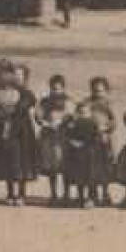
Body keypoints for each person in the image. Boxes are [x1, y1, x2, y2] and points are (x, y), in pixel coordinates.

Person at [0, 60, 37, 206]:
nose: (5, 78)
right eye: (2, 74)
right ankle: (10, 193)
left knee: (22, 161)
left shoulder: (22, 90)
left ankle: (21, 193)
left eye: (8, 74)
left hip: (22, 130)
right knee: (7, 160)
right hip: (4, 130)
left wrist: (15, 109)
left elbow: (31, 100)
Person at [34, 74, 73, 204]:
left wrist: (62, 121)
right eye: (53, 88)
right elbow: (38, 115)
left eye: (58, 88)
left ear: (63, 88)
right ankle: (54, 194)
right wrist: (44, 123)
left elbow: (71, 115)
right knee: (51, 167)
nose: (55, 91)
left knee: (65, 165)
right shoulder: (45, 101)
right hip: (48, 136)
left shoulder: (68, 100)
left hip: (63, 135)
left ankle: (66, 194)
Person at [81, 76, 117, 207]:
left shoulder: (108, 104)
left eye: (101, 91)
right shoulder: (87, 102)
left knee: (105, 167)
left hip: (104, 140)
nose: (98, 93)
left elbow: (114, 121)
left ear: (106, 91)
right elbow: (80, 115)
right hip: (91, 141)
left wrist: (107, 128)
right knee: (91, 168)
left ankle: (106, 194)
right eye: (95, 90)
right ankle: (91, 195)